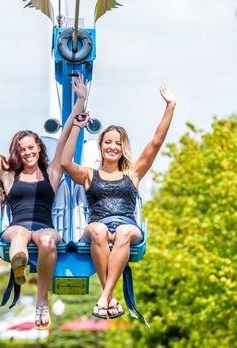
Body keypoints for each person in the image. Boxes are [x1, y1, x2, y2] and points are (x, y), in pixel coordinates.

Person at [0, 76, 87, 329]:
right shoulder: (9, 176)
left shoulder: (52, 174)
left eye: (31, 148)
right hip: (18, 226)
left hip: (44, 226)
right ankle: (19, 263)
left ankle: (41, 301)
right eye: (22, 150)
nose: (28, 152)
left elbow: (64, 136)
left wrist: (80, 102)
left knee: (45, 240)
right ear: (17, 153)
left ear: (39, 149)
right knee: (20, 233)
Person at [61, 84, 176, 319]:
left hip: (127, 226)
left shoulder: (132, 174)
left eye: (117, 143)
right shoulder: (89, 174)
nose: (112, 147)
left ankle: (104, 296)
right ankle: (109, 298)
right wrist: (76, 127)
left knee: (123, 231)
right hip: (98, 225)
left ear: (123, 149)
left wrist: (170, 107)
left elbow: (155, 143)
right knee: (98, 229)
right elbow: (65, 162)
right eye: (108, 142)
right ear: (101, 146)